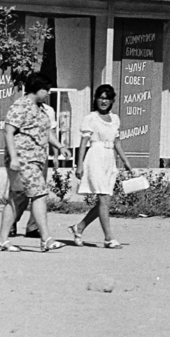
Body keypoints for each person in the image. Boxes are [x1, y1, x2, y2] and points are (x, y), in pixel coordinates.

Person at [0, 74, 61, 251]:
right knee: (39, 194)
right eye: (45, 89)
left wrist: (60, 146)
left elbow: (45, 133)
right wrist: (14, 158)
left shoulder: (41, 109)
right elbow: (8, 131)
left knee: (17, 199)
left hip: (36, 158)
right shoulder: (20, 106)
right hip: (23, 158)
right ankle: (46, 238)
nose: (47, 93)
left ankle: (2, 239)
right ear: (37, 88)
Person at [70, 84, 134, 248]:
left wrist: (126, 163)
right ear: (95, 99)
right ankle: (109, 238)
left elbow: (117, 142)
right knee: (104, 199)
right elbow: (83, 143)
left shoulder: (115, 119)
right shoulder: (91, 118)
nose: (103, 101)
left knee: (104, 201)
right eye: (100, 97)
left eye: (107, 98)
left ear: (112, 100)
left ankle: (79, 227)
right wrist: (79, 165)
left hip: (109, 160)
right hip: (95, 158)